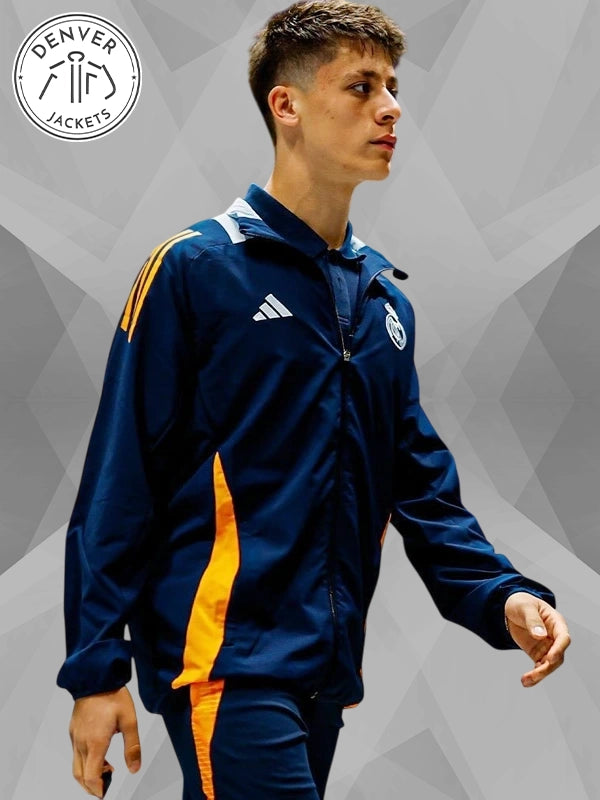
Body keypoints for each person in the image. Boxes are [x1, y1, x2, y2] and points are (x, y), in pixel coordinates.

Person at [57, 2, 571, 798]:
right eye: (362, 87)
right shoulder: (195, 270)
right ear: (286, 105)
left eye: (393, 88)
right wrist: (96, 670)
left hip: (326, 674)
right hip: (227, 662)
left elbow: (421, 488)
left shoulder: (382, 303)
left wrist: (501, 595)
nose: (390, 108)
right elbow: (120, 476)